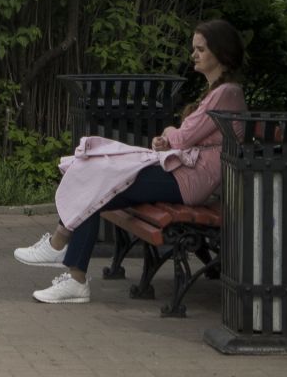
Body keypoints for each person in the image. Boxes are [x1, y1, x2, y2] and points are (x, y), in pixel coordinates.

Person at [12, 19, 248, 304]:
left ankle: (63, 249)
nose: (194, 55)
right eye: (193, 49)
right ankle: (68, 263)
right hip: (182, 173)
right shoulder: (217, 92)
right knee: (97, 178)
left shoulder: (227, 93)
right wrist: (171, 138)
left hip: (188, 181)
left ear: (220, 53)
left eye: (200, 49)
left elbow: (185, 136)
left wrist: (169, 134)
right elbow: (191, 136)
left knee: (98, 182)